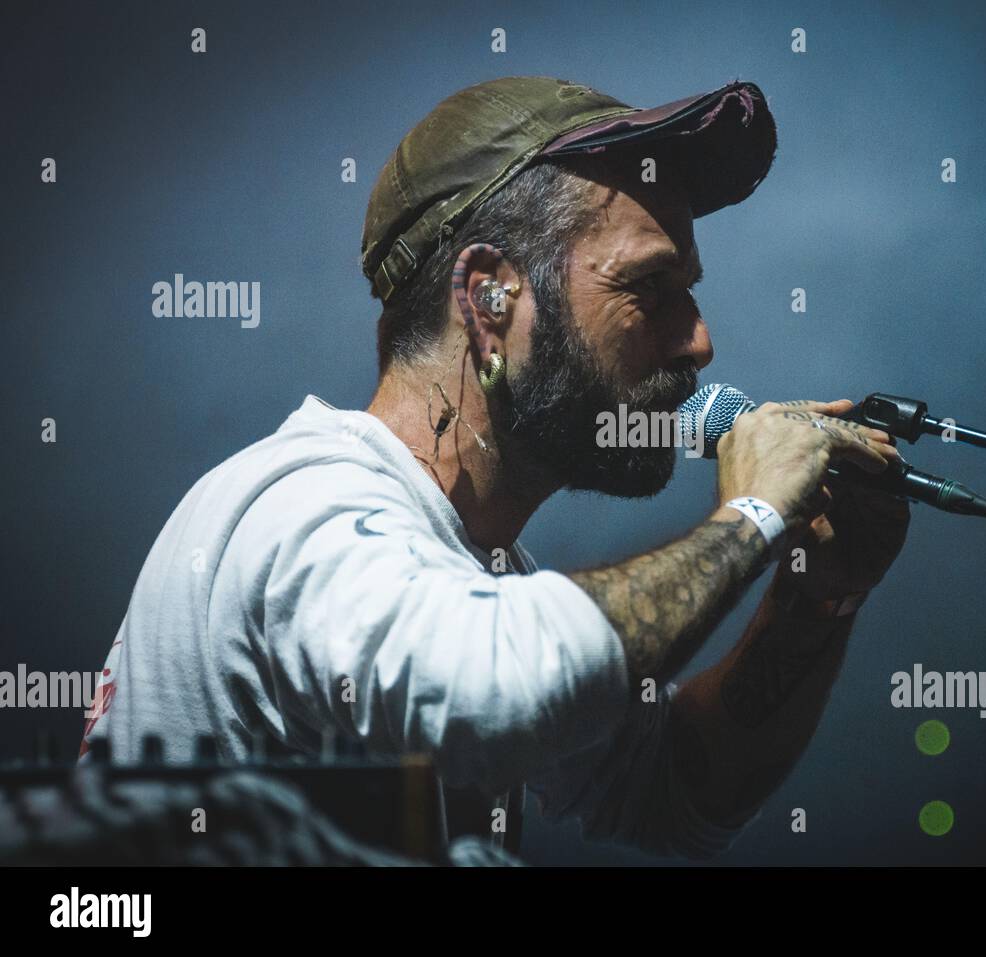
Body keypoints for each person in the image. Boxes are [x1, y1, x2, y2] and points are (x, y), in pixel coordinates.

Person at [81, 76, 910, 860]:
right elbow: (494, 689)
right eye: (652, 289)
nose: (701, 342)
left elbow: (674, 793)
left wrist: (817, 596)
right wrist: (755, 514)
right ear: (490, 300)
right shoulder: (302, 503)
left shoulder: (472, 582)